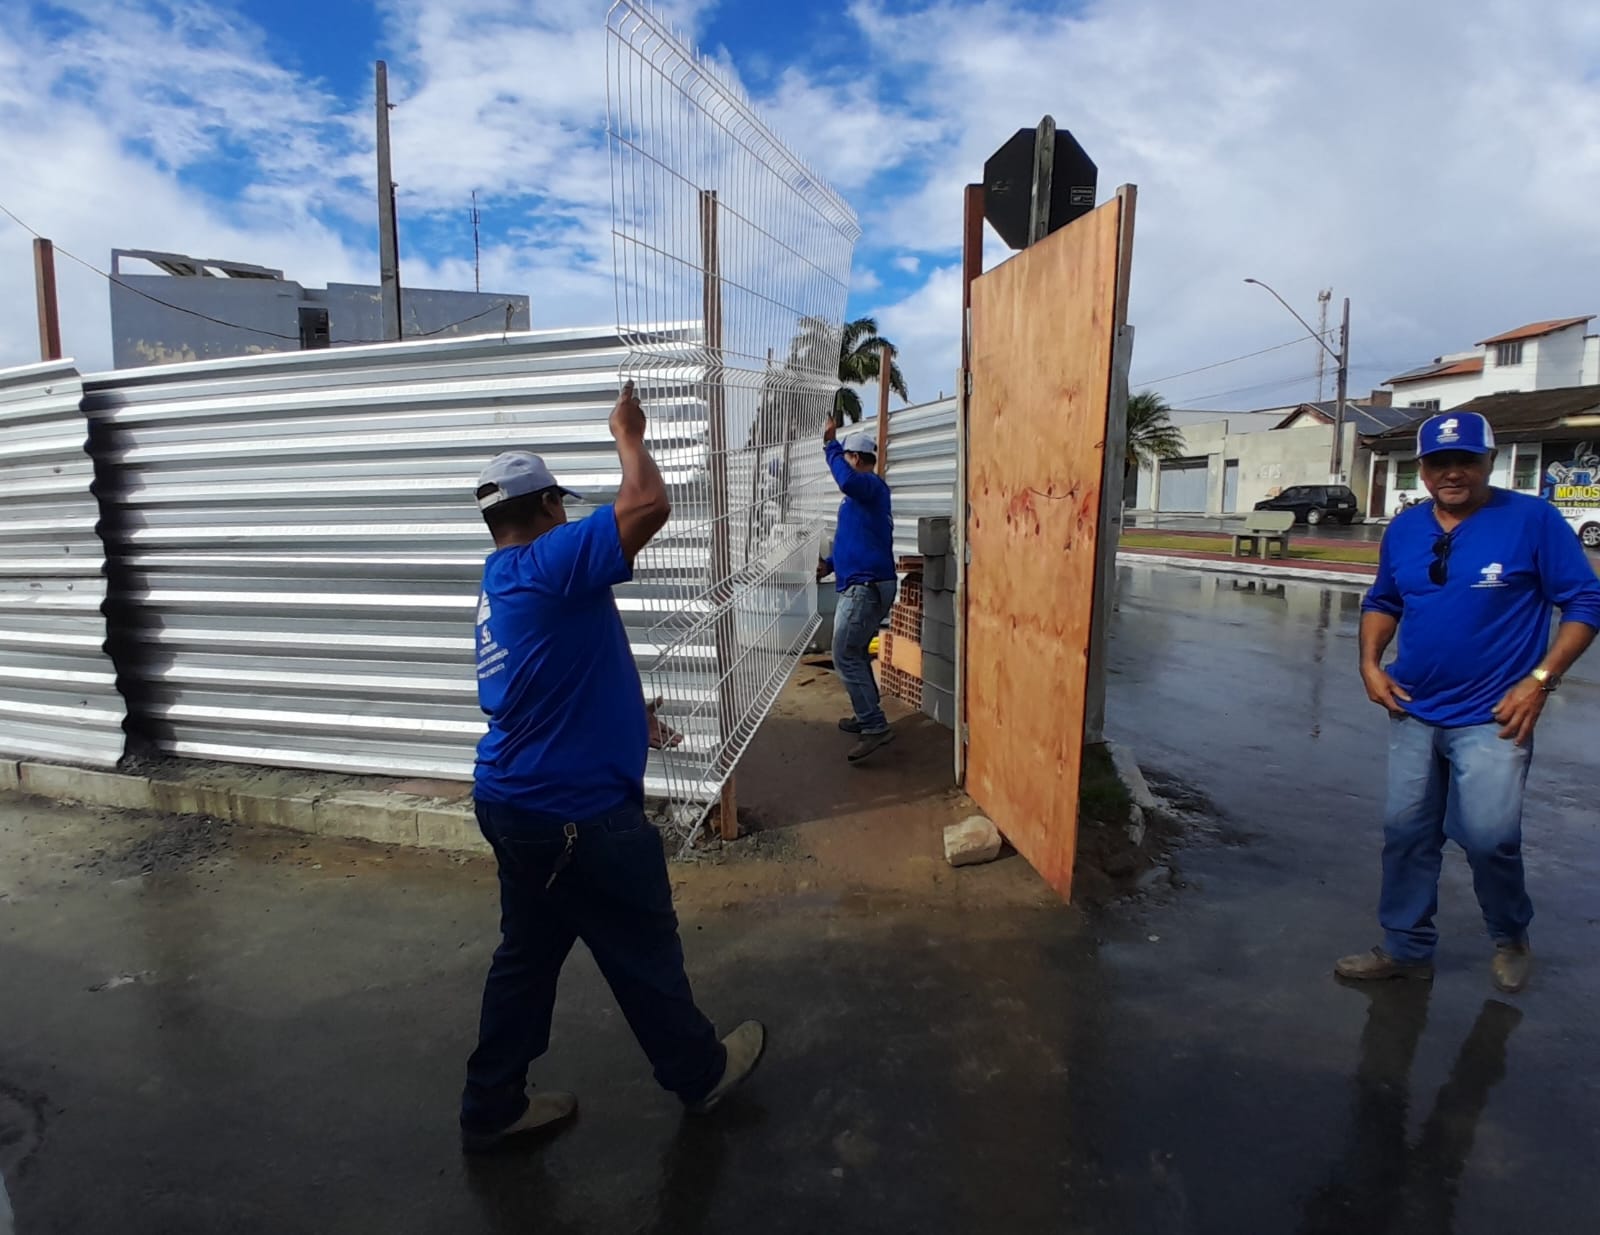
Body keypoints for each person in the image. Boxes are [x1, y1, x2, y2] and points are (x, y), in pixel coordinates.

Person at [460, 381, 765, 1153]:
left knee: (526, 959)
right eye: (559, 505)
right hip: (574, 818)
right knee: (641, 943)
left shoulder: (501, 587)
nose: (567, 516)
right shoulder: (546, 563)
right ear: (543, 511)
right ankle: (701, 1073)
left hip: (517, 805)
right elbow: (648, 502)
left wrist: (635, 721)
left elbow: (550, 688)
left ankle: (492, 1105)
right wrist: (628, 433)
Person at [1339, 411, 1600, 993]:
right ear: (1423, 468)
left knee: (1488, 837)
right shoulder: (1406, 528)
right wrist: (1368, 664)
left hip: (1493, 717)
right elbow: (1383, 599)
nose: (1452, 473)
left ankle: (1510, 935)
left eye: (1466, 460)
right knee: (1406, 834)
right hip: (1413, 708)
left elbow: (1584, 602)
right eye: (1439, 462)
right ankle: (1406, 948)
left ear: (1489, 461)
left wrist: (1540, 679)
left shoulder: (1531, 520)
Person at [816, 418, 897, 763]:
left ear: (857, 459)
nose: (842, 463)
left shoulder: (869, 486)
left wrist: (829, 445)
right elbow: (855, 540)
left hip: (865, 588)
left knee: (844, 655)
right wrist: (830, 564)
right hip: (860, 584)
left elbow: (846, 480)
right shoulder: (856, 502)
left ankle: (874, 725)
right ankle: (868, 714)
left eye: (846, 456)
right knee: (856, 654)